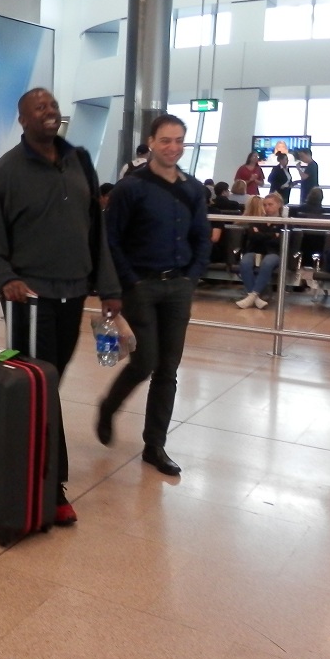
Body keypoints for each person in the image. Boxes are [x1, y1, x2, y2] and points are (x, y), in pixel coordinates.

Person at [0, 88, 121, 526]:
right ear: (22, 119)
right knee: (41, 387)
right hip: (30, 301)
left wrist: (108, 287)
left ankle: (30, 469)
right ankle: (51, 487)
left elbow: (96, 231)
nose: (50, 111)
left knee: (48, 384)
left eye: (53, 105)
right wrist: (7, 280)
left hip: (73, 293)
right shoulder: (4, 173)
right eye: (40, 107)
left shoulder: (79, 162)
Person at [95, 114, 210, 477]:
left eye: (179, 141)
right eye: (165, 140)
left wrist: (191, 278)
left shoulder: (193, 189)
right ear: (151, 143)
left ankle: (154, 445)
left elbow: (201, 237)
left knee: (168, 369)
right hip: (141, 286)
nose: (173, 148)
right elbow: (110, 239)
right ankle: (109, 406)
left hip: (178, 287)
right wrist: (129, 281)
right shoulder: (131, 188)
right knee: (144, 361)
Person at [235, 192, 285, 309]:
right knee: (245, 262)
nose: (267, 207)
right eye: (265, 205)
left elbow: (278, 241)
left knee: (267, 262)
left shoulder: (284, 223)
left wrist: (261, 235)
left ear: (279, 205)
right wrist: (273, 235)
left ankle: (252, 296)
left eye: (270, 204)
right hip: (255, 250)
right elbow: (253, 237)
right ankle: (255, 298)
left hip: (274, 252)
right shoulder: (258, 220)